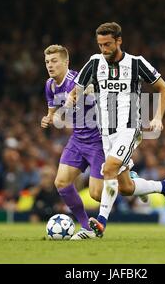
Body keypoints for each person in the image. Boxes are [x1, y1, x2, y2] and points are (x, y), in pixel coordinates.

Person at [69, 22, 165, 238]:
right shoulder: (93, 63)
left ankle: (99, 225)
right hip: (105, 133)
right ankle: (164, 186)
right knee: (126, 187)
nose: (104, 49)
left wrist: (157, 117)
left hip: (130, 129)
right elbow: (76, 91)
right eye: (100, 45)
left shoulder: (136, 64)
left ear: (119, 41)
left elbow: (164, 88)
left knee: (109, 169)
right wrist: (75, 97)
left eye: (108, 44)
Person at [41, 44, 105, 240]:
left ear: (66, 62)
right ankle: (86, 227)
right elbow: (52, 112)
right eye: (47, 62)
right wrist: (47, 118)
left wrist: (81, 93)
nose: (50, 66)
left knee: (96, 194)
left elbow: (92, 88)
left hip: (97, 141)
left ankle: (131, 181)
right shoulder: (50, 85)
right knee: (61, 183)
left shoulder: (77, 79)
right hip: (78, 139)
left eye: (54, 61)